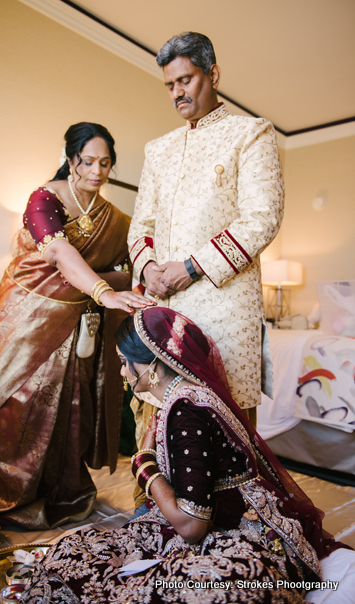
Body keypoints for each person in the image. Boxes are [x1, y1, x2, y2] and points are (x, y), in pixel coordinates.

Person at [21, 307, 348, 604]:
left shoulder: (185, 411)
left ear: (150, 365)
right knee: (81, 553)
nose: (122, 373)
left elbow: (191, 526)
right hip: (249, 514)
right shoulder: (187, 395)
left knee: (102, 572)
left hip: (244, 531)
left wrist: (144, 467)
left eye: (124, 363)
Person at [0, 122, 153, 530]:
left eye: (105, 163)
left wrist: (109, 283)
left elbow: (128, 265)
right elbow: (57, 251)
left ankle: (63, 493)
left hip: (80, 329)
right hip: (28, 320)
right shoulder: (43, 198)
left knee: (71, 405)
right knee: (18, 404)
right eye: (88, 161)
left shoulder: (115, 219)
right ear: (71, 160)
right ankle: (5, 492)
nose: (97, 171)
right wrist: (103, 289)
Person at [128, 33, 284, 497]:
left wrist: (192, 267)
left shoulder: (251, 133)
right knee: (165, 412)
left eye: (186, 79)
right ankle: (171, 513)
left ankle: (232, 524)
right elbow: (142, 224)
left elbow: (262, 218)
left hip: (223, 304)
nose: (177, 91)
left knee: (225, 418)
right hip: (166, 304)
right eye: (169, 84)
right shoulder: (158, 150)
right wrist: (149, 266)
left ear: (212, 75)